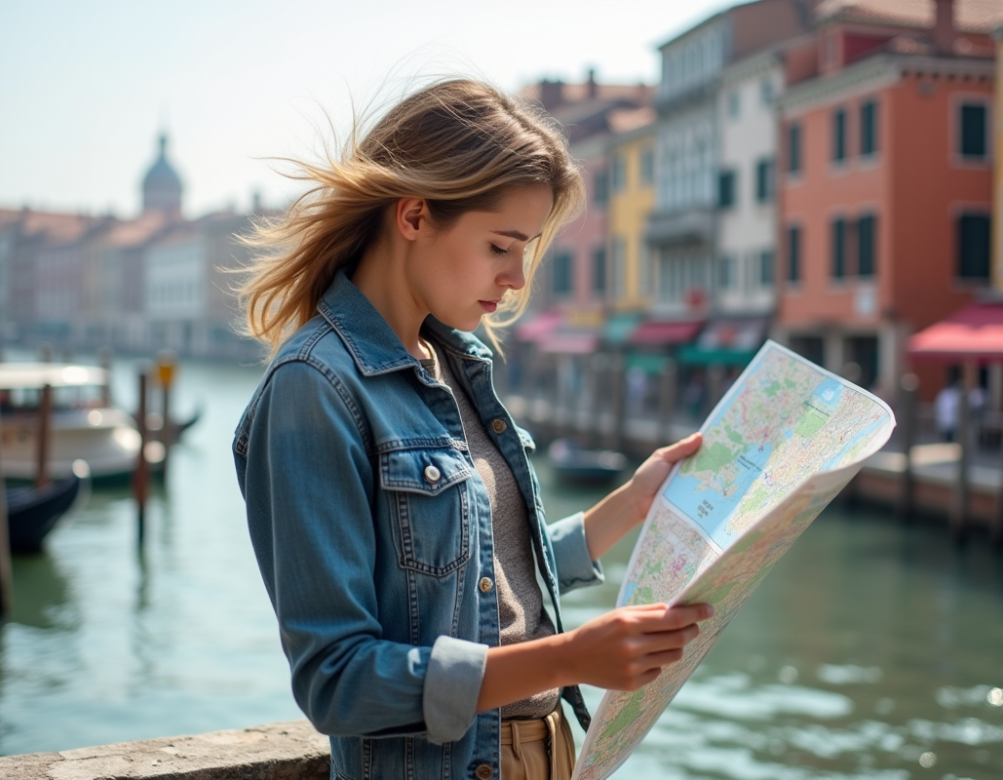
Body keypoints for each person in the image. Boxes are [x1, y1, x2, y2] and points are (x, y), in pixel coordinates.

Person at [231, 79, 711, 780]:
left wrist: (632, 506)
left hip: (549, 755)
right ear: (416, 215)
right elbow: (337, 681)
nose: (518, 278)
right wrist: (572, 657)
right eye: (500, 246)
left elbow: (481, 579)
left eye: (527, 249)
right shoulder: (314, 388)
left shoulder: (455, 363)